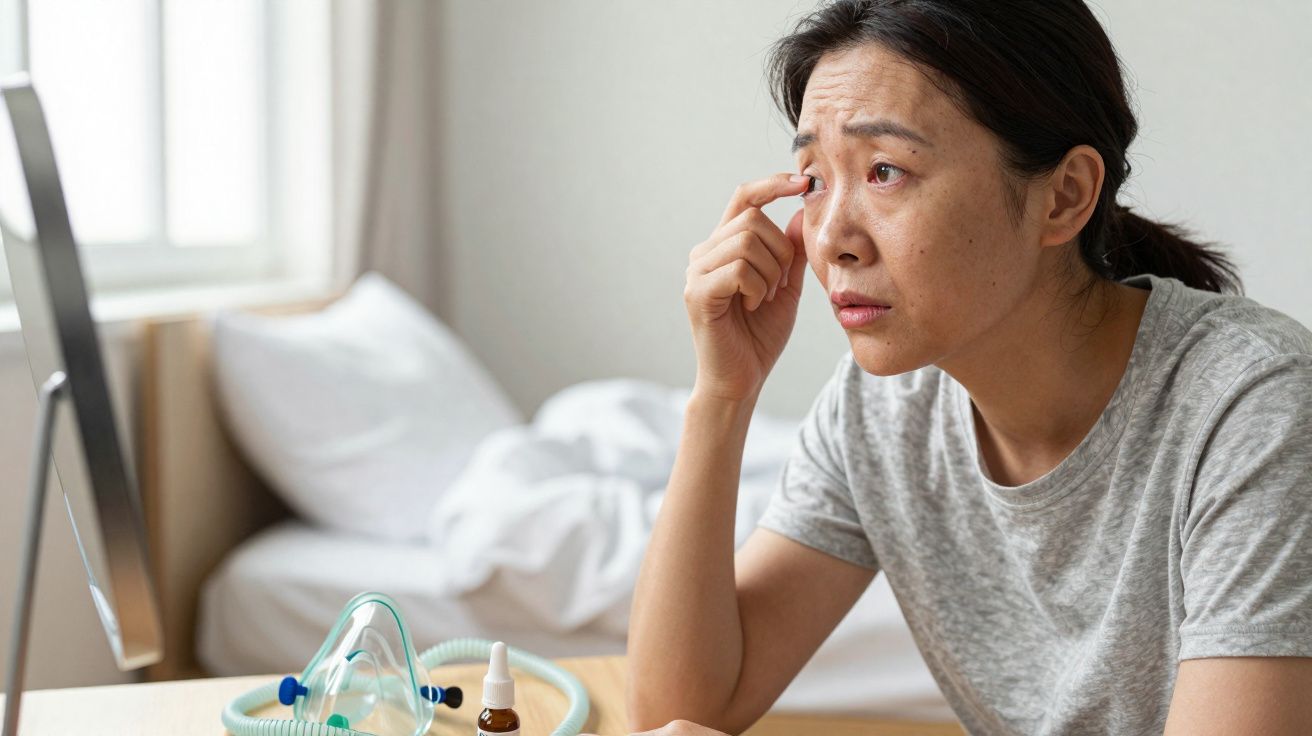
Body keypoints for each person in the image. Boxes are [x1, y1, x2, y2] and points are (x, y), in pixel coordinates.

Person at [610, 1, 1312, 735]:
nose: (833, 241)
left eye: (885, 171)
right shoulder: (883, 412)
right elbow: (679, 713)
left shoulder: (1253, 410)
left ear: (1064, 196)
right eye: (813, 179)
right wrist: (723, 394)